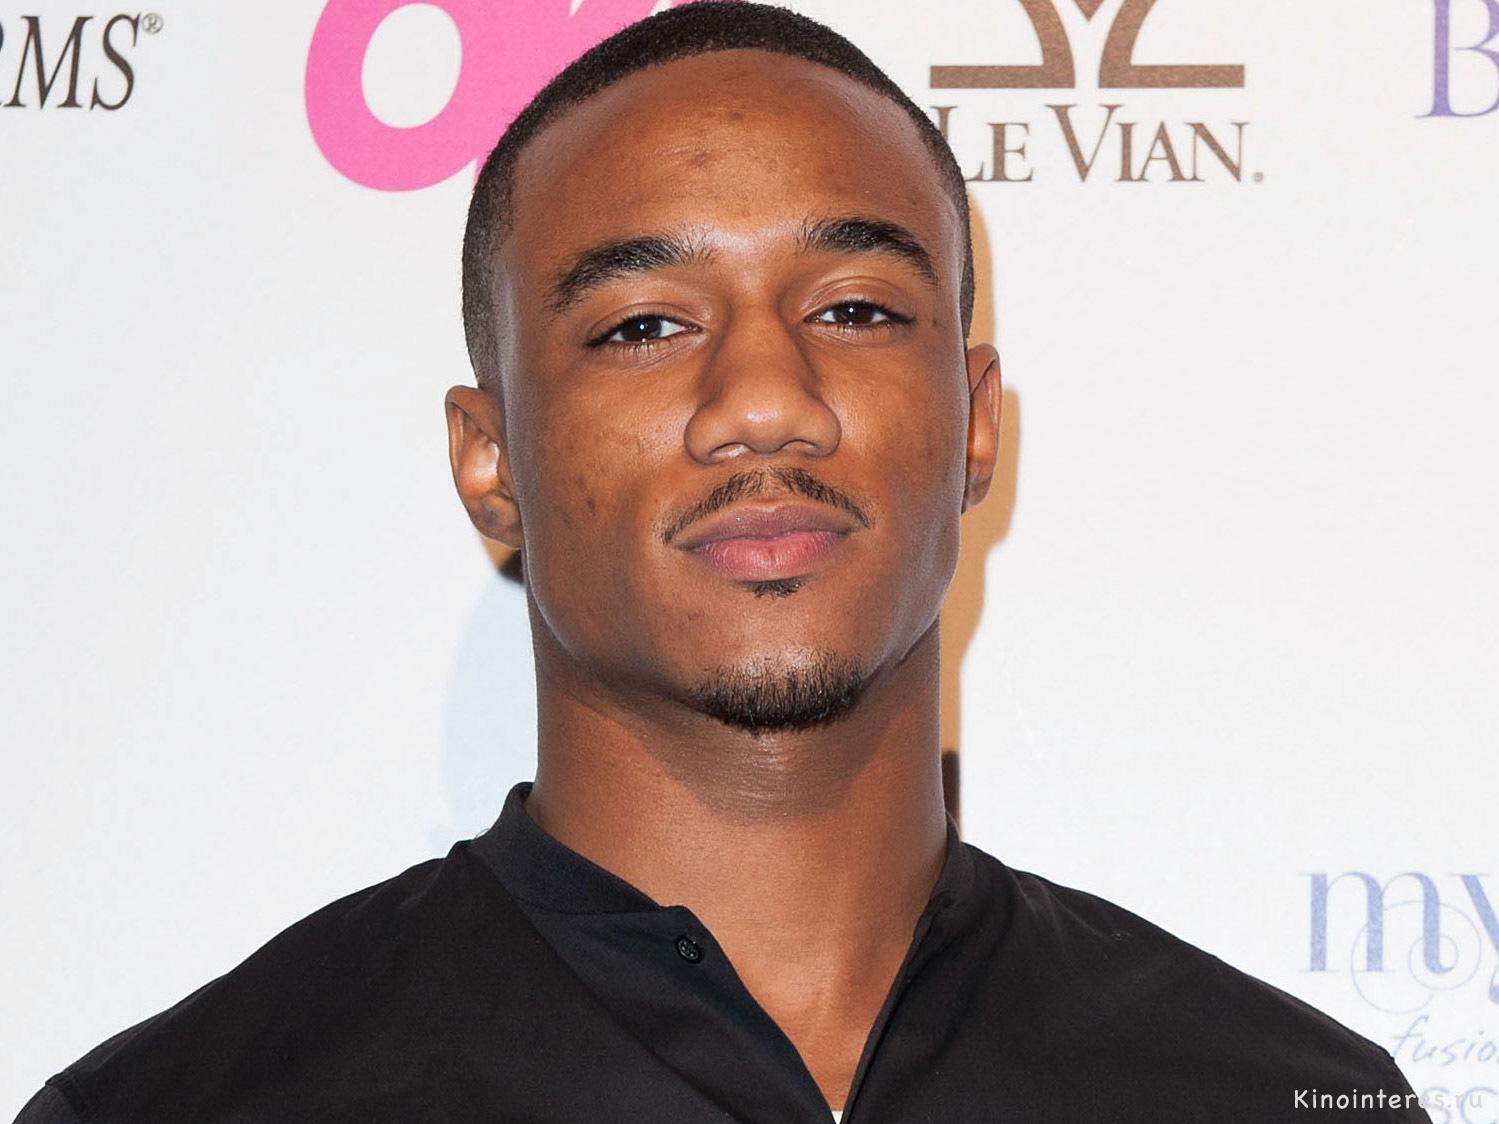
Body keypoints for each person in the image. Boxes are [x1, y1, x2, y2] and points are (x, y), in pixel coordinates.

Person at [16, 4, 1428, 1121]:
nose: (763, 401)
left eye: (856, 309)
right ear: (489, 460)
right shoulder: (195, 1104)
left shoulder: (1278, 1095)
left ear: (974, 425)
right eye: (643, 325)